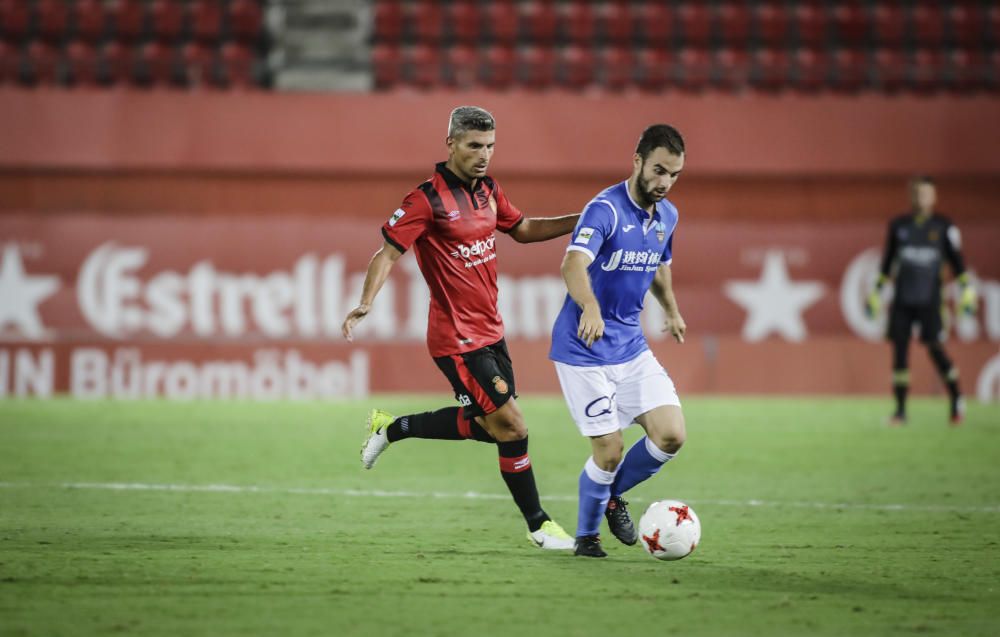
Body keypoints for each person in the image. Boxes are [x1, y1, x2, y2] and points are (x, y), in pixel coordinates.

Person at [342, 106, 580, 549]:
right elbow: (387, 253)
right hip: (455, 338)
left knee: (492, 428)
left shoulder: (489, 190)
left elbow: (522, 228)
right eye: (474, 145)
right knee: (512, 426)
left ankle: (391, 429)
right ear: (450, 143)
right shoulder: (425, 200)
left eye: (490, 146)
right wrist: (365, 302)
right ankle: (540, 526)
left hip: (492, 330)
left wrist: (579, 221)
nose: (484, 155)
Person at [549, 124, 688, 558]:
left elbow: (659, 265)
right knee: (609, 451)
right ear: (638, 161)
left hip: (630, 346)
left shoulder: (668, 215)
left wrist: (671, 310)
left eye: (674, 174)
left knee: (671, 436)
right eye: (659, 170)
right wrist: (588, 306)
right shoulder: (605, 209)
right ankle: (587, 539)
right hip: (584, 349)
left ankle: (610, 495)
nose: (664, 182)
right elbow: (573, 263)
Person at [866, 175, 978, 426]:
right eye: (917, 193)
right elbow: (887, 263)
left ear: (934, 196)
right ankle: (900, 411)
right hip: (903, 300)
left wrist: (967, 291)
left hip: (930, 300)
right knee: (900, 353)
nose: (921, 198)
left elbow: (958, 263)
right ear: (910, 195)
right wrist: (876, 293)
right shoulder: (898, 226)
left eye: (926, 193)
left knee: (935, 349)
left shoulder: (943, 227)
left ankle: (956, 398)